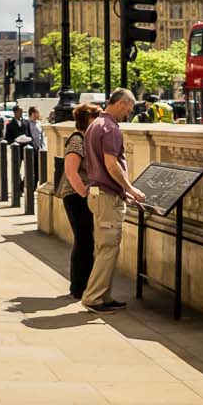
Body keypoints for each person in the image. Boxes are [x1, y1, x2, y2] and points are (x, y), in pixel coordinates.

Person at [81, 89, 144, 312]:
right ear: (121, 103)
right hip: (107, 197)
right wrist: (129, 188)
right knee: (109, 248)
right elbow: (111, 164)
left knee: (103, 247)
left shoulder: (95, 125)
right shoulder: (110, 129)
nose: (130, 112)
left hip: (98, 194)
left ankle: (104, 295)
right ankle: (94, 298)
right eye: (129, 107)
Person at [60, 104, 100, 300]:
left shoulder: (84, 139)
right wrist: (83, 192)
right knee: (84, 241)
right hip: (75, 197)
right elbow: (71, 170)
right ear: (87, 119)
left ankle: (81, 286)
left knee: (85, 241)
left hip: (79, 196)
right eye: (96, 116)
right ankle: (79, 287)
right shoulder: (77, 140)